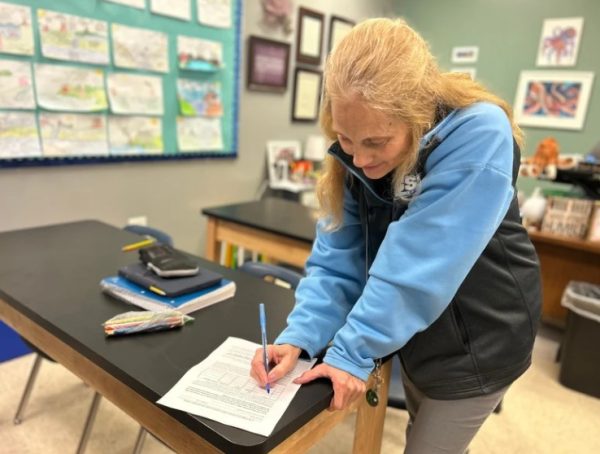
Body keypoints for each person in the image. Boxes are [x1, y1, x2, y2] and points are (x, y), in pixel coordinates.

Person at [250, 18, 541, 453]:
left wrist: (351, 353)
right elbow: (338, 259)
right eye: (346, 139)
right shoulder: (358, 151)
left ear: (418, 115)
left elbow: (417, 267)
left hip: (481, 336)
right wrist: (300, 336)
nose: (360, 158)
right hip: (420, 328)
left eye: (376, 142)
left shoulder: (480, 133)